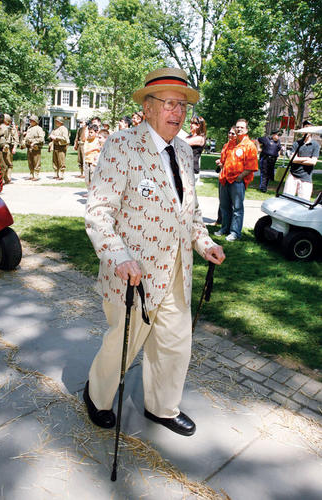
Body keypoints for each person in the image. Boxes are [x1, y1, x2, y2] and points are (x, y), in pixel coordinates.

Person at [84, 67, 225, 437]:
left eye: (182, 105)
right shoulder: (121, 146)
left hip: (178, 270)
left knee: (175, 345)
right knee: (123, 346)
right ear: (147, 107)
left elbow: (189, 212)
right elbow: (99, 212)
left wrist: (205, 243)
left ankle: (162, 407)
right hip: (134, 274)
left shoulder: (183, 150)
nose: (177, 113)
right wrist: (118, 257)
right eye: (169, 104)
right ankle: (97, 397)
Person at [215, 119, 258, 241]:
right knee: (224, 206)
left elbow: (252, 167)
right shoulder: (231, 144)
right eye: (237, 127)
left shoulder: (249, 146)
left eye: (242, 128)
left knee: (237, 208)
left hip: (237, 181)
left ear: (246, 130)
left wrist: (239, 177)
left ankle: (235, 232)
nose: (239, 129)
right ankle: (225, 228)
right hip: (225, 179)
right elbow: (225, 160)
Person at [283, 120, 320, 200]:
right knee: (286, 199)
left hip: (306, 178)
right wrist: (307, 158)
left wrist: (298, 159)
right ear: (302, 129)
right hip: (293, 176)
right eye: (305, 128)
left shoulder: (315, 145)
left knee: (303, 202)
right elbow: (293, 159)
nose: (307, 131)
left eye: (309, 129)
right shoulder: (296, 143)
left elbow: (313, 162)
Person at [214, 127, 238, 226]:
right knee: (222, 201)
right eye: (229, 133)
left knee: (232, 202)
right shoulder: (226, 146)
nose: (230, 135)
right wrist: (220, 162)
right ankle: (220, 220)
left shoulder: (238, 147)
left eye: (233, 134)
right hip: (223, 175)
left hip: (233, 177)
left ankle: (230, 224)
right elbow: (224, 159)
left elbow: (235, 163)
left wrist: (223, 165)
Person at [184, 116, 206, 185]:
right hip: (184, 168)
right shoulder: (189, 137)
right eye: (190, 123)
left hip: (192, 170)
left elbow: (182, 143)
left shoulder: (200, 138)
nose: (190, 125)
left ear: (198, 125)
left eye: (193, 123)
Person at [22, 115, 45, 181]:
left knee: (36, 162)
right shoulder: (29, 128)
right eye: (30, 120)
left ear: (35, 121)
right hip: (29, 147)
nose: (30, 121)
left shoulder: (39, 129)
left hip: (36, 147)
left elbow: (41, 138)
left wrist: (34, 142)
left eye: (32, 120)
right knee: (30, 162)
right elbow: (26, 137)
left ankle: (36, 175)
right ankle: (31, 174)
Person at [84, 124, 101, 190]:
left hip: (94, 163)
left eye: (91, 132)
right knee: (87, 179)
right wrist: (94, 149)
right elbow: (85, 151)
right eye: (89, 132)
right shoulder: (87, 141)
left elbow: (100, 149)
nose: (90, 134)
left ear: (96, 132)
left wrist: (97, 149)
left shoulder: (98, 141)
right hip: (87, 161)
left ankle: (93, 192)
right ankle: (89, 191)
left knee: (93, 178)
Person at [3, 114, 19, 183]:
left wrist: (14, 148)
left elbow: (16, 139)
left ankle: (8, 177)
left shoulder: (12, 128)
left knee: (9, 163)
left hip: (8, 147)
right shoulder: (1, 127)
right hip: (1, 147)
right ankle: (1, 177)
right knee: (2, 163)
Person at [0, 113, 10, 184]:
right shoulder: (4, 126)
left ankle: (2, 180)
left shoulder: (1, 127)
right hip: (4, 146)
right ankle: (6, 179)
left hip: (1, 147)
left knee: (1, 164)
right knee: (4, 163)